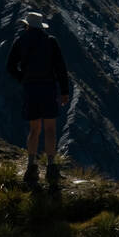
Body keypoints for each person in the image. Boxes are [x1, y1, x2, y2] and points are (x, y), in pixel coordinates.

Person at [6, 11, 71, 185]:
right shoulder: (51, 42)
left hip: (31, 89)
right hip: (48, 88)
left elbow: (10, 66)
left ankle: (31, 166)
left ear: (26, 25)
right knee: (50, 129)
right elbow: (60, 68)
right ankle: (51, 167)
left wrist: (23, 78)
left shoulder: (21, 41)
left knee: (34, 129)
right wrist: (64, 91)